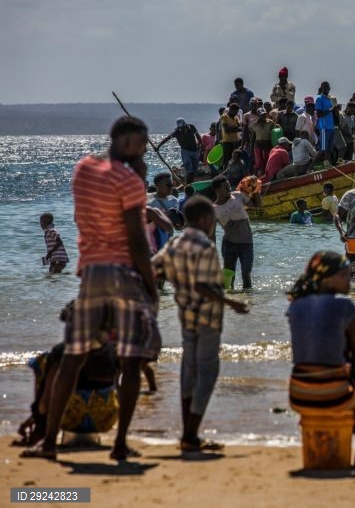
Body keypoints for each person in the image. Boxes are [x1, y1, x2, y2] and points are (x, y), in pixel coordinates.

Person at [22, 116, 162, 461]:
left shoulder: (83, 168)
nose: (144, 151)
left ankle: (50, 442)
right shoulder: (130, 180)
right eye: (142, 145)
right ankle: (118, 444)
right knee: (130, 362)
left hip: (91, 274)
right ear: (129, 142)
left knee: (73, 357)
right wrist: (151, 283)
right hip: (125, 274)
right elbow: (134, 240)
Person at [153, 195, 249, 452]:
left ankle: (188, 434)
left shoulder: (176, 242)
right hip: (207, 318)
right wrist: (232, 303)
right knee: (207, 373)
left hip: (185, 316)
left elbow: (154, 270)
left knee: (189, 372)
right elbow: (202, 286)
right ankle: (191, 434)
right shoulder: (205, 246)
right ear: (207, 219)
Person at [287, 251, 355, 468]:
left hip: (298, 392)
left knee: (351, 387)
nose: (350, 278)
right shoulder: (345, 306)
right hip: (333, 392)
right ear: (327, 279)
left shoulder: (295, 306)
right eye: (344, 275)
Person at [14, 338, 118, 448]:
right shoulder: (110, 350)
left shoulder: (62, 350)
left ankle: (41, 429)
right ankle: (120, 439)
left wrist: (36, 416)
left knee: (41, 361)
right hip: (105, 420)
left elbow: (44, 406)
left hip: (68, 419)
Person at [212, 175, 261, 290]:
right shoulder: (213, 209)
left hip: (246, 243)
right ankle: (229, 302)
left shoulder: (238, 196)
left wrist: (256, 188)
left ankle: (248, 302)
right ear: (217, 190)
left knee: (246, 274)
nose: (229, 189)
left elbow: (257, 206)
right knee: (229, 276)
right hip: (229, 244)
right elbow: (212, 232)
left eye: (229, 187)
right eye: (225, 188)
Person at [156, 118, 203, 184]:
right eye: (180, 128)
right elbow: (167, 138)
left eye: (182, 127)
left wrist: (201, 145)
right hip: (185, 151)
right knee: (190, 170)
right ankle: (187, 185)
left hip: (195, 151)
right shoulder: (176, 131)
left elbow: (197, 135)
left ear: (185, 124)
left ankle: (189, 184)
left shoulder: (191, 127)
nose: (181, 129)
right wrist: (158, 146)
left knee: (194, 171)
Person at [250, 108, 276, 174]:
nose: (264, 116)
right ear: (258, 115)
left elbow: (274, 134)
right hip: (258, 144)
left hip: (267, 144)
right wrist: (251, 149)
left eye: (264, 114)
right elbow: (253, 137)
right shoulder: (254, 125)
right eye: (262, 115)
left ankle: (267, 174)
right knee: (258, 162)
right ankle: (257, 175)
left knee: (267, 160)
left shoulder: (270, 122)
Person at [315, 81, 335, 154]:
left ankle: (327, 163)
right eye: (324, 87)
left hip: (331, 128)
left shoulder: (329, 99)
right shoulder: (319, 98)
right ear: (322, 88)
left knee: (329, 149)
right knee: (323, 149)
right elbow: (319, 114)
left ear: (329, 88)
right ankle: (316, 163)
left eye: (327, 87)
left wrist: (335, 109)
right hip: (324, 127)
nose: (326, 89)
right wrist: (331, 109)